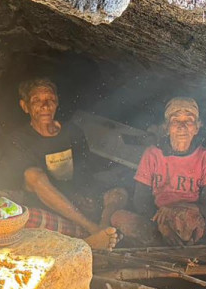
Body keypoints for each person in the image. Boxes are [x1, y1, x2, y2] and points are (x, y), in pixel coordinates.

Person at [7, 77, 123, 250]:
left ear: (57, 103)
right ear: (25, 106)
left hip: (75, 198)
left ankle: (104, 229)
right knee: (33, 175)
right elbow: (28, 181)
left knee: (120, 192)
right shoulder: (19, 139)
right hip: (46, 202)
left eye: (50, 100)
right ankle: (93, 229)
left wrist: (84, 195)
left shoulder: (72, 131)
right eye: (37, 101)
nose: (45, 106)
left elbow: (84, 169)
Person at [111, 97, 206, 246]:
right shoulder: (152, 154)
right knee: (118, 217)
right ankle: (173, 243)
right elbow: (141, 199)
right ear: (166, 128)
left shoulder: (205, 157)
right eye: (175, 121)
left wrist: (183, 211)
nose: (182, 127)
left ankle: (172, 243)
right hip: (159, 217)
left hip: (190, 216)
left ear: (196, 128)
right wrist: (160, 222)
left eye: (189, 121)